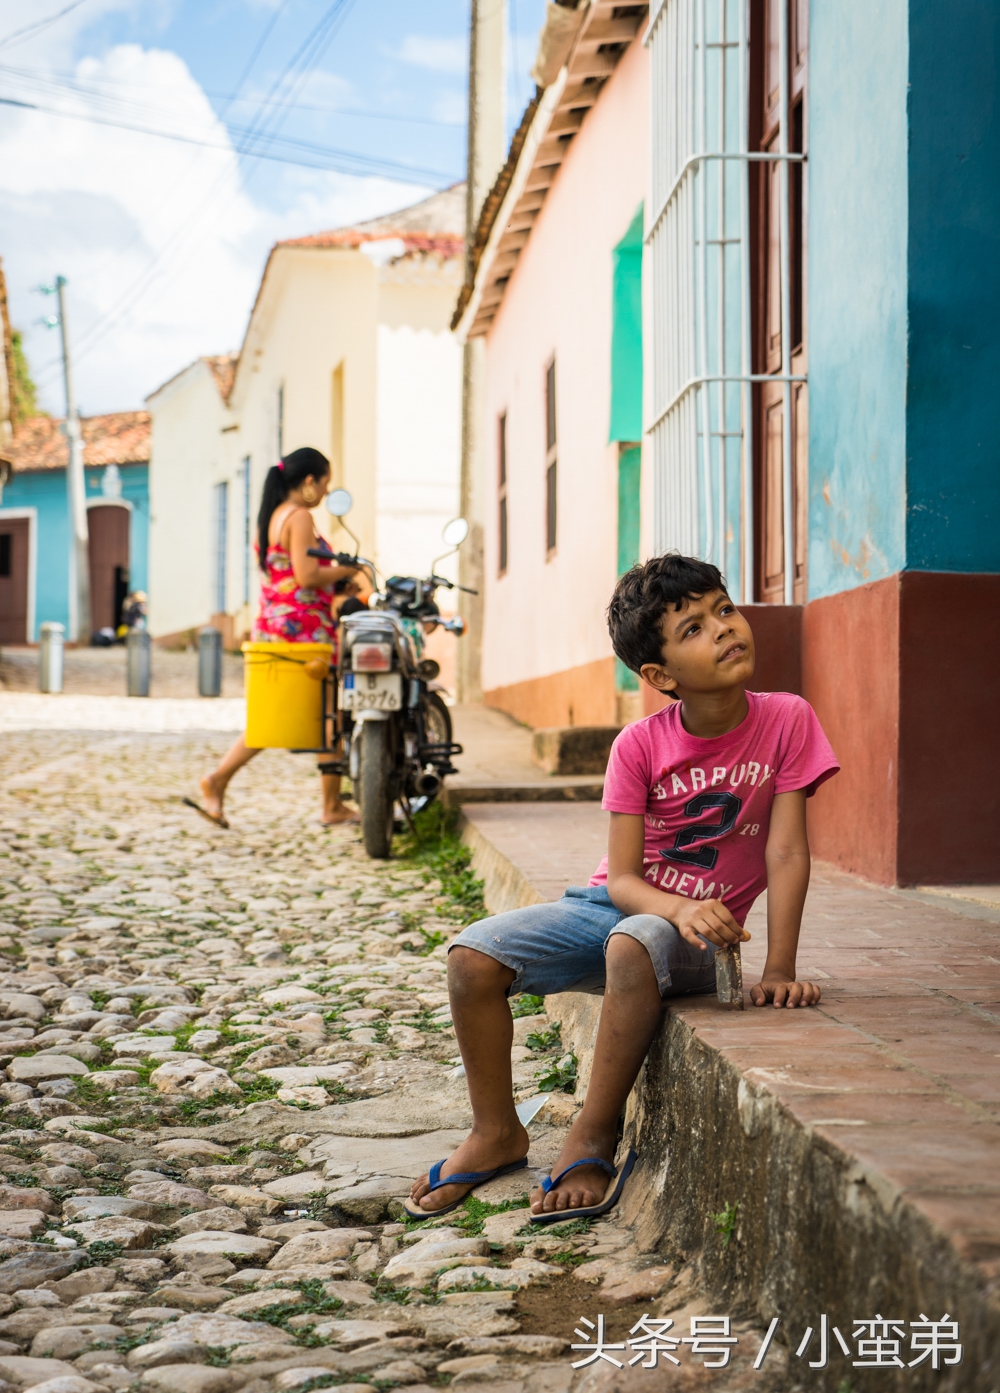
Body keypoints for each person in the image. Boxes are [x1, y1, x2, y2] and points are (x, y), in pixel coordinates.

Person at [406, 553, 840, 1224]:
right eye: (694, 627)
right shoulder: (638, 746)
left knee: (635, 942)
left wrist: (778, 968)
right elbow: (625, 879)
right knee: (471, 957)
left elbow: (785, 851)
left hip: (693, 940)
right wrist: (678, 905)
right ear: (660, 675)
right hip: (614, 907)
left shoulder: (787, 719)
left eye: (724, 609)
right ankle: (495, 1132)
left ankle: (593, 1132)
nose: (725, 628)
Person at [185, 447, 360, 829]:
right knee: (329, 717)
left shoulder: (274, 515)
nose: (326, 492)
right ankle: (331, 806)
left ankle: (217, 779)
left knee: (273, 715)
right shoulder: (299, 516)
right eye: (325, 483)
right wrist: (346, 569)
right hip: (303, 632)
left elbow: (287, 575)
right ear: (309, 481)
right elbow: (306, 576)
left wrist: (336, 581)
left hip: (277, 627)